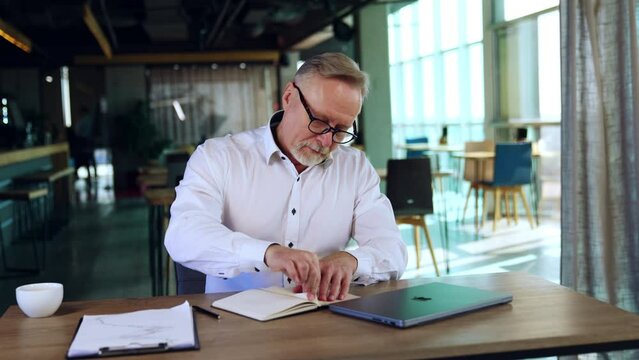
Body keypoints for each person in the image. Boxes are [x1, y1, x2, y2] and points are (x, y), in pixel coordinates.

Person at [165, 52, 407, 302]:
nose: (326, 140)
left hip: (324, 322)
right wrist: (267, 253)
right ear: (289, 97)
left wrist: (352, 260)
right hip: (234, 322)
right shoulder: (219, 157)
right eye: (319, 120)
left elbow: (393, 250)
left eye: (341, 129)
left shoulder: (355, 168)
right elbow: (184, 235)